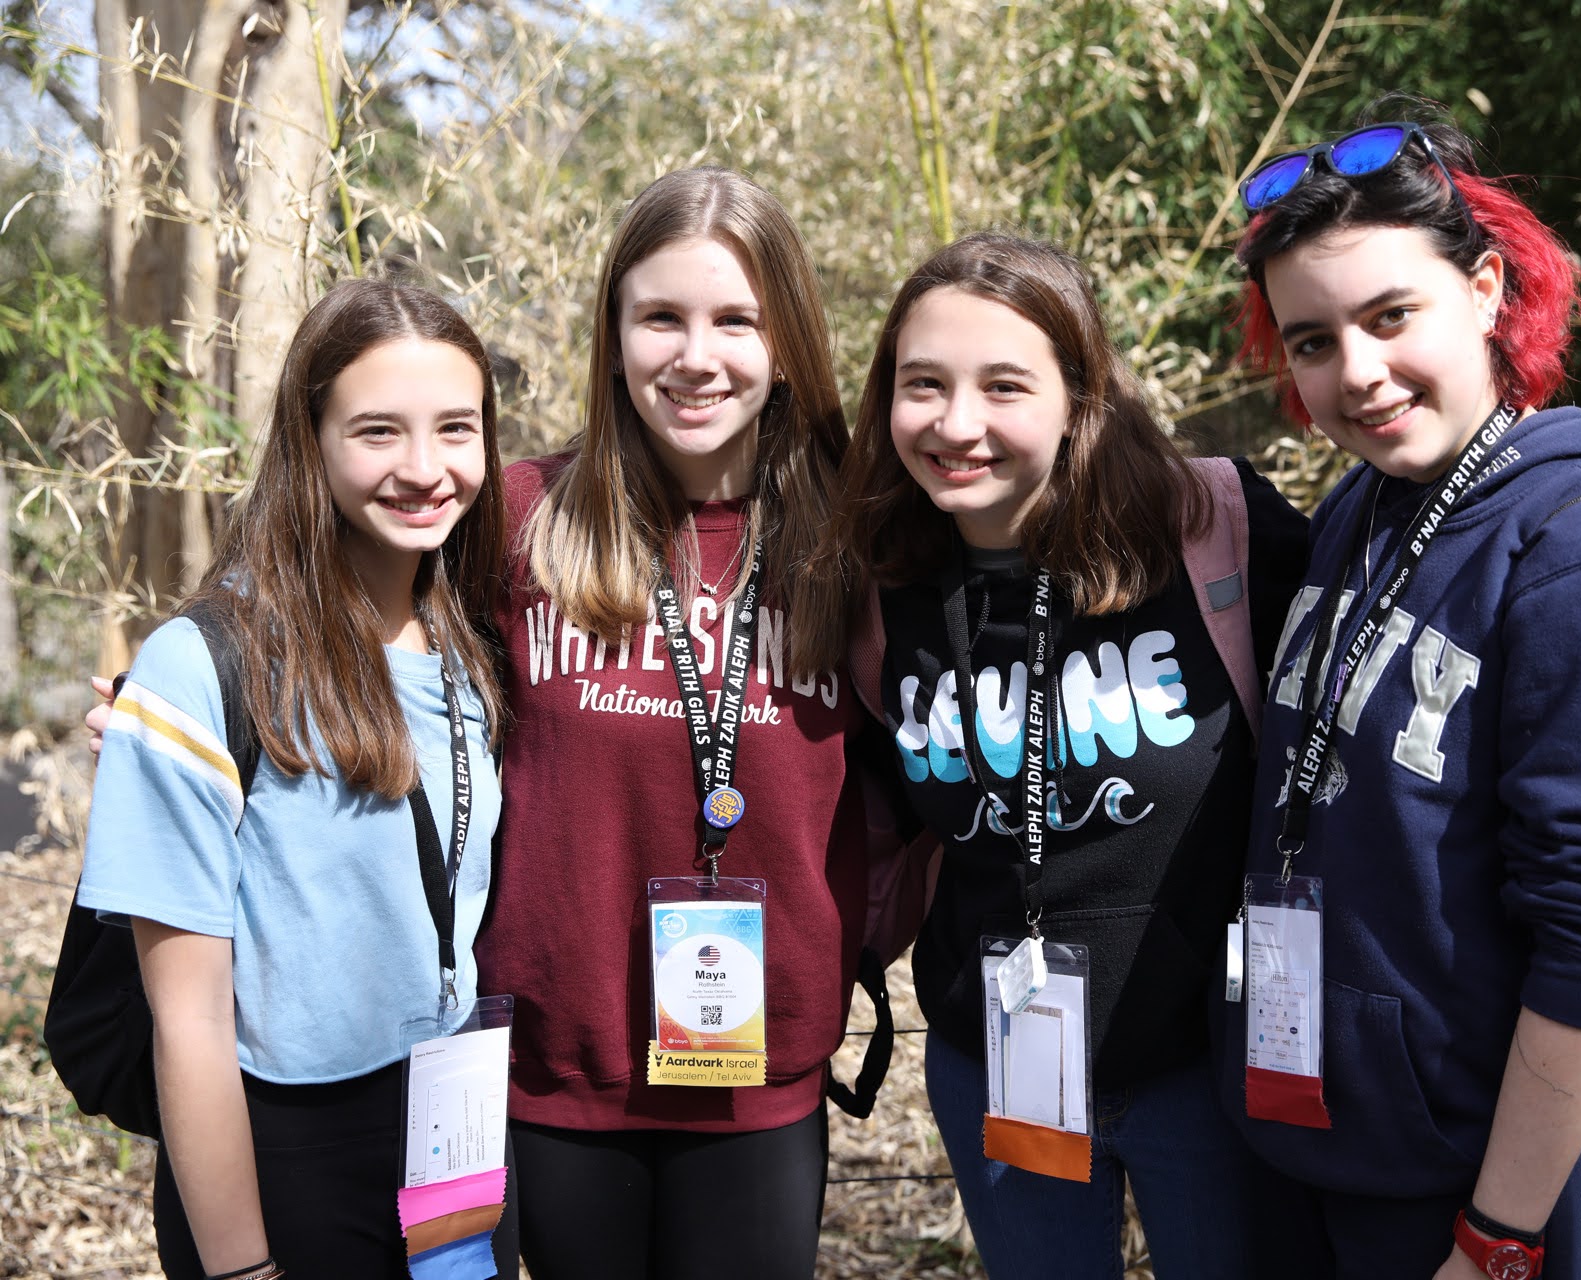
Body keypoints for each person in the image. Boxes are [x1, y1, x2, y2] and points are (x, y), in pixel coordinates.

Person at [1222, 112, 1581, 1279]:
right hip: (1308, 1139)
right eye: (1310, 340)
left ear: (1488, 287)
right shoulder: (1364, 507)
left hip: (1466, 1190)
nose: (1357, 374)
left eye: (1392, 316)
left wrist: (1498, 1235)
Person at [829, 231, 1310, 1279]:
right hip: (1001, 1055)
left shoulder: (1211, 531)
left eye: (1004, 384)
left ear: (1079, 393)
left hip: (1210, 1061)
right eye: (924, 384)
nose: (957, 424)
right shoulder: (877, 584)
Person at [77, 279, 513, 1280]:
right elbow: (188, 1017)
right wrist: (241, 1266)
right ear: (308, 438)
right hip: (286, 1147)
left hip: (456, 1120)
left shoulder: (470, 638)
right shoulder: (208, 668)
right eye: (376, 431)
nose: (423, 468)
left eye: (456, 427)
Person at [475, 166, 866, 1279]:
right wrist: (201, 698)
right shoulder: (516, 518)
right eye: (661, 317)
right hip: (554, 1070)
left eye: (736, 318)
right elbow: (352, 630)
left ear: (786, 340)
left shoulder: (861, 542)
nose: (696, 356)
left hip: (760, 1072)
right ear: (612, 337)